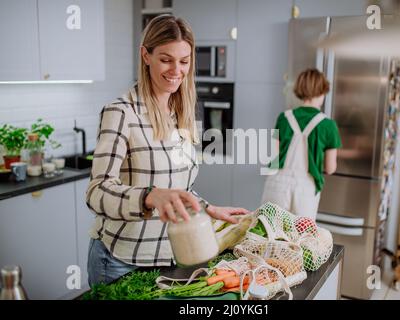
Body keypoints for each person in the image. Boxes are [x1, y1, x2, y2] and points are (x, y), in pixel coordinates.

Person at [86, 15, 249, 286]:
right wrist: (149, 197)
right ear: (145, 56)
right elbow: (97, 192)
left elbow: (175, 186)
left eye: (184, 61)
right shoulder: (121, 112)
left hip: (167, 258)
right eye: (166, 59)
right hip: (119, 262)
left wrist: (207, 208)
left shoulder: (179, 113)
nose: (176, 70)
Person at [261, 68, 342, 220]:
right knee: (299, 238)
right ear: (322, 92)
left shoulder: (283, 118)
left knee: (270, 233)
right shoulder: (328, 125)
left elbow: (274, 155)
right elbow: (330, 168)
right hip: (305, 189)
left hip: (277, 184)